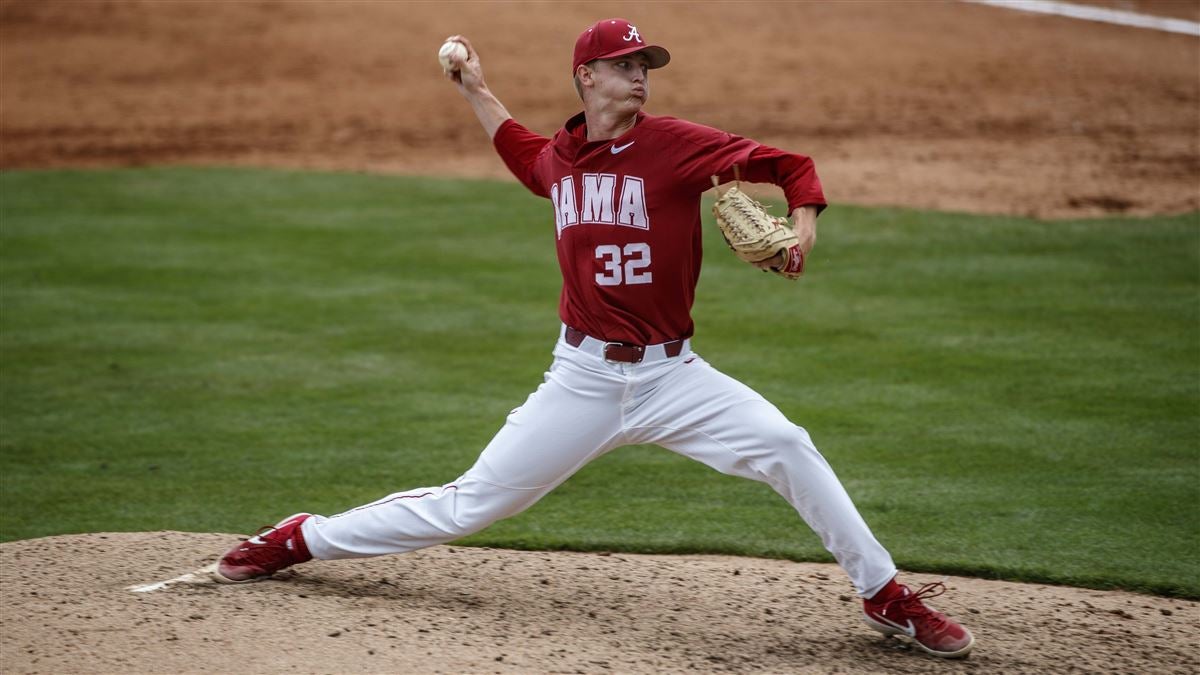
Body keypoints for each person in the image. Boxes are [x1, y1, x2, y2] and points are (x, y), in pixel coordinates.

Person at [212, 18, 975, 659]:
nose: (640, 76)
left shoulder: (677, 145)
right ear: (587, 76)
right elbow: (522, 151)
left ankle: (885, 593)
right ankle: (300, 538)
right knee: (468, 506)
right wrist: (474, 87)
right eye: (624, 65)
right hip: (581, 380)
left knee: (786, 443)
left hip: (676, 378)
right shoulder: (561, 157)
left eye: (645, 65)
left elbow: (790, 165)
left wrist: (802, 229)